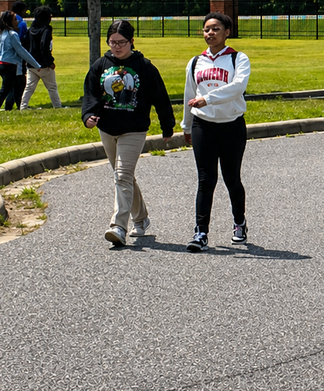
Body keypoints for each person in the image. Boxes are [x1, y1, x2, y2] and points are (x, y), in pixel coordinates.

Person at [82, 20, 175, 246]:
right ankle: (141, 218)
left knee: (122, 175)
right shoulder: (100, 65)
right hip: (107, 128)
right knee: (124, 176)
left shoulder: (144, 66)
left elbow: (160, 97)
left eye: (122, 42)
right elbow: (90, 94)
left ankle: (118, 226)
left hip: (133, 129)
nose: (117, 46)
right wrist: (88, 116)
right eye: (112, 42)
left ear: (132, 41)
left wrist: (167, 125)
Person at [182, 13, 252, 252]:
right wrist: (186, 124)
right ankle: (200, 232)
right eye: (206, 30)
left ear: (226, 32)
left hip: (231, 125)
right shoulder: (195, 62)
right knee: (206, 180)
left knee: (231, 178)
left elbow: (237, 88)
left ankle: (239, 223)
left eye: (215, 29)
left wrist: (208, 99)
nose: (209, 33)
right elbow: (189, 95)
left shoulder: (238, 59)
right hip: (203, 126)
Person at [0, 10, 40, 113]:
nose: (17, 22)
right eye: (15, 19)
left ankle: (21, 107)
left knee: (18, 86)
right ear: (9, 22)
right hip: (9, 65)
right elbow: (21, 51)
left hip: (1, 64)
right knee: (6, 89)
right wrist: (36, 64)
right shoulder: (12, 35)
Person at [20, 6, 63, 110]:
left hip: (31, 63)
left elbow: (25, 45)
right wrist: (50, 62)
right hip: (43, 64)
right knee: (52, 87)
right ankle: (57, 106)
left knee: (29, 87)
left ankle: (23, 106)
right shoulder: (46, 29)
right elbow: (44, 46)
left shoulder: (31, 29)